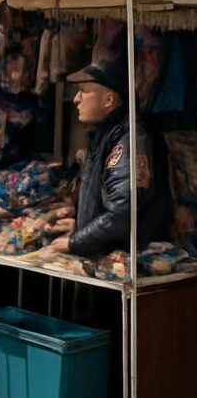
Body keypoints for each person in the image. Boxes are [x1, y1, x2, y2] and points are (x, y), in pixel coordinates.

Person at [49, 54, 173, 256]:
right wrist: (82, 225)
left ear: (109, 100)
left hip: (127, 258)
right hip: (111, 253)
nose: (76, 99)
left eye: (83, 92)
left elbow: (121, 214)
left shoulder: (129, 137)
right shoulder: (107, 133)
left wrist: (77, 242)